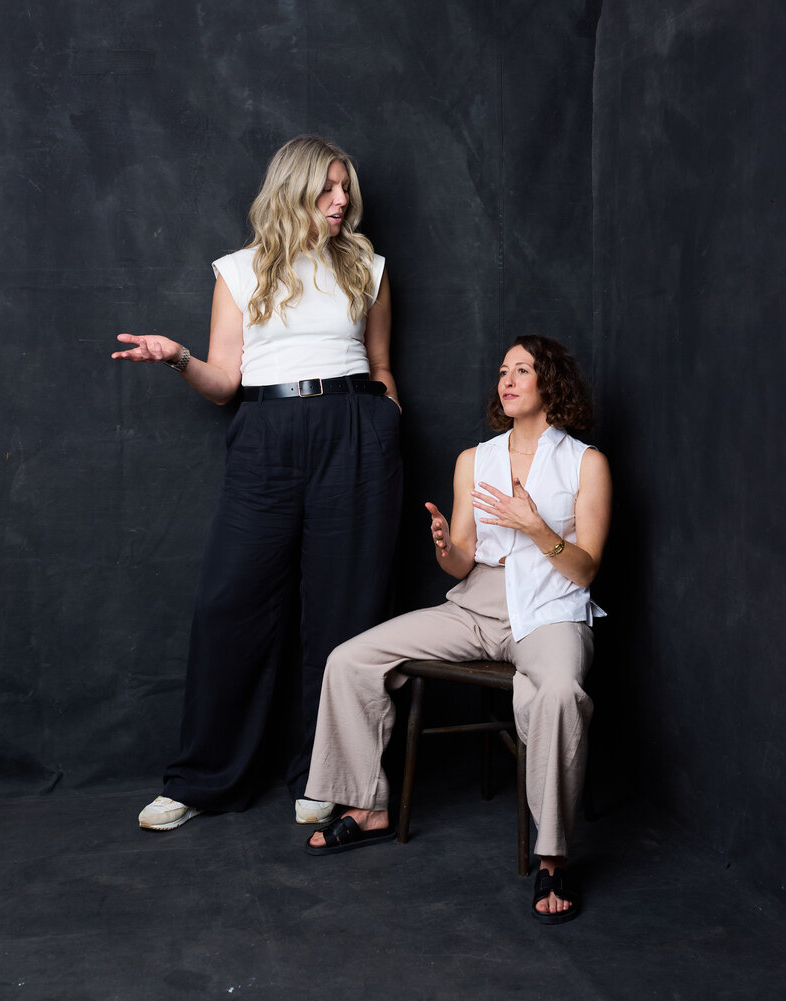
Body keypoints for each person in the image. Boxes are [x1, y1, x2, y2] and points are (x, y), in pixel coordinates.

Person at [112, 135, 402, 830]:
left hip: (355, 431)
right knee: (230, 603)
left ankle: (329, 777)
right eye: (328, 189)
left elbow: (383, 362)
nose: (341, 202)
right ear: (292, 189)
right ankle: (202, 780)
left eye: (345, 190)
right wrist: (180, 357)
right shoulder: (239, 271)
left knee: (346, 614)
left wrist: (385, 416)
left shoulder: (368, 267)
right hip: (266, 433)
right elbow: (224, 384)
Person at [303, 335, 611, 924]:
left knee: (559, 693)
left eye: (523, 370)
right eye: (503, 371)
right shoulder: (476, 459)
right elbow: (462, 561)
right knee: (349, 658)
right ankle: (368, 806)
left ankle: (551, 853)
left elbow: (587, 566)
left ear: (552, 383)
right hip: (475, 606)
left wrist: (537, 527)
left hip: (550, 610)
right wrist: (446, 546)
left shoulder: (585, 462)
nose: (508, 380)